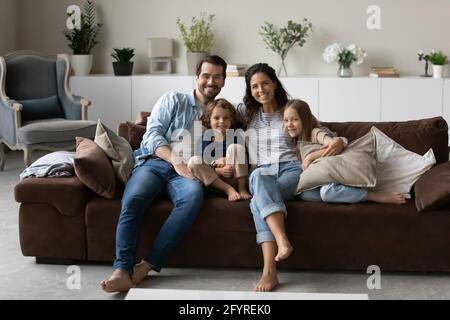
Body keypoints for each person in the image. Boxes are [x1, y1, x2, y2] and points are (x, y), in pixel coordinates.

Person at [101, 55, 228, 293]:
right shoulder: (173, 100)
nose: (211, 81)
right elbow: (152, 135)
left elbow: (225, 144)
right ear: (197, 78)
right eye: (206, 76)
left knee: (192, 199)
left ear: (223, 81)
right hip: (155, 163)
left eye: (217, 77)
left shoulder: (221, 112)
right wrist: (175, 160)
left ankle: (145, 266)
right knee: (133, 199)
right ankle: (121, 269)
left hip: (190, 172)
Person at [236, 63, 345, 292]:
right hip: (262, 174)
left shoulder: (291, 110)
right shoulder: (245, 114)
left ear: (274, 83)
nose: (260, 89)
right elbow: (216, 116)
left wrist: (329, 144)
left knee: (258, 201)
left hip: (291, 170)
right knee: (258, 179)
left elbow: (322, 134)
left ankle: (270, 271)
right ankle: (282, 241)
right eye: (254, 86)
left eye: (265, 83)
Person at [283, 99, 407, 204]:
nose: (289, 124)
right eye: (286, 120)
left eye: (295, 119)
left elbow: (332, 144)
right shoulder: (293, 142)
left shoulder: (315, 133)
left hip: (337, 175)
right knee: (305, 194)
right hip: (321, 179)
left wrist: (310, 156)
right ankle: (342, 195)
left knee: (327, 193)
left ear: (305, 120)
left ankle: (373, 196)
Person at [187, 98, 251, 201]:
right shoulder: (205, 138)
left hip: (235, 177)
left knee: (235, 148)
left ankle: (242, 189)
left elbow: (245, 159)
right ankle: (228, 190)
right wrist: (218, 170)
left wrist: (227, 159)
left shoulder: (235, 136)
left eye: (226, 118)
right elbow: (203, 164)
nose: (221, 121)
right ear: (209, 119)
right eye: (216, 118)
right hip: (215, 182)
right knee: (194, 161)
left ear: (232, 120)